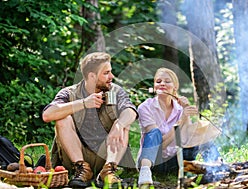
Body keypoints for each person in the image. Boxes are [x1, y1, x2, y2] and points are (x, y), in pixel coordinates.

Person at [42, 52, 138, 188]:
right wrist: (84, 103)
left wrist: (119, 124)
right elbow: (47, 115)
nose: (112, 77)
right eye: (106, 73)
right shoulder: (69, 93)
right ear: (92, 76)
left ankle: (108, 172)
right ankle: (83, 170)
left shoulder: (116, 92)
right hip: (75, 155)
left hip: (107, 154)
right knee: (62, 118)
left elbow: (131, 111)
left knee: (124, 122)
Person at [137, 68, 220, 186]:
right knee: (154, 132)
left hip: (176, 159)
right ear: (155, 86)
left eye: (167, 81)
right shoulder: (145, 108)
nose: (162, 84)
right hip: (155, 162)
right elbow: (159, 146)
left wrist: (187, 114)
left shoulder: (180, 109)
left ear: (175, 87)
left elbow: (187, 138)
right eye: (158, 81)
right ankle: (144, 172)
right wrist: (181, 120)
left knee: (200, 134)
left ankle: (218, 166)